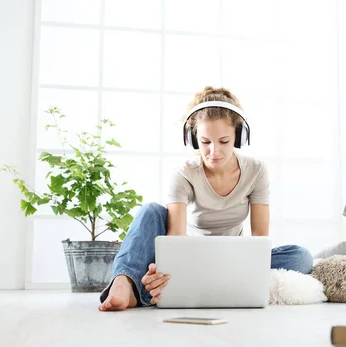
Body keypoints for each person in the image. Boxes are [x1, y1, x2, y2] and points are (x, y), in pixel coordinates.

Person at [98, 86, 313, 312]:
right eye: (205, 142)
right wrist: (167, 269)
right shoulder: (183, 173)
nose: (213, 151)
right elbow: (176, 239)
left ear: (238, 137)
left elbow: (260, 238)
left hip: (234, 259)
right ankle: (124, 282)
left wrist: (246, 265)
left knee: (301, 257)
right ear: (193, 139)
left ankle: (143, 294)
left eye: (223, 141)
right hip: (191, 258)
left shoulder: (256, 170)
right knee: (151, 211)